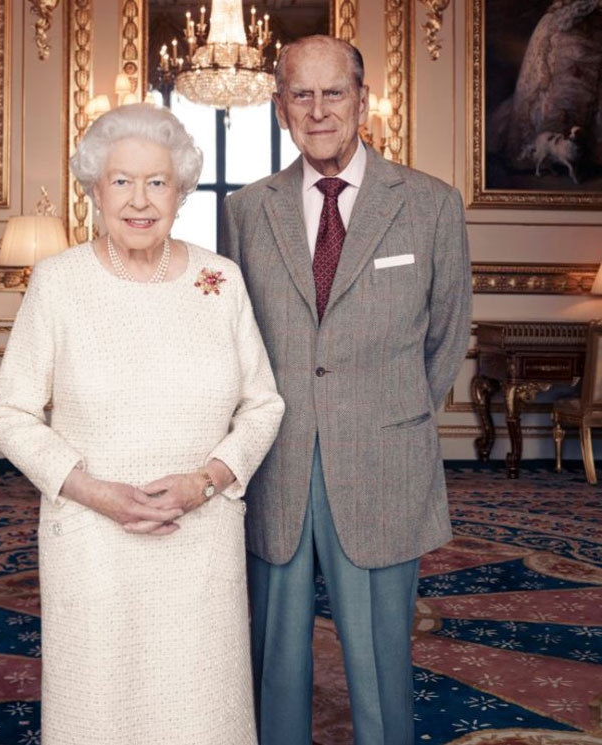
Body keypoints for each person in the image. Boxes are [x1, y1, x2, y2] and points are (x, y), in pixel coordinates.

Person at [0, 103, 284, 745]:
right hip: (92, 540)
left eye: (157, 182)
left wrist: (206, 482)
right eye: (121, 181)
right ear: (94, 190)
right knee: (101, 706)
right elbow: (10, 413)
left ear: (181, 192)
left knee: (200, 704)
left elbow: (264, 404)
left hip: (199, 533)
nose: (139, 200)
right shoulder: (58, 282)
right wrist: (95, 493)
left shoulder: (220, 280)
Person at [219, 35, 471, 745]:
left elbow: (446, 337)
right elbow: (235, 339)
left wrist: (386, 413)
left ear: (362, 100)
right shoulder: (245, 211)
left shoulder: (429, 204)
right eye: (301, 93)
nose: (318, 109)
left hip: (383, 462)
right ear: (279, 108)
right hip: (276, 464)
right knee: (271, 660)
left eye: (334, 92)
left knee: (381, 664)